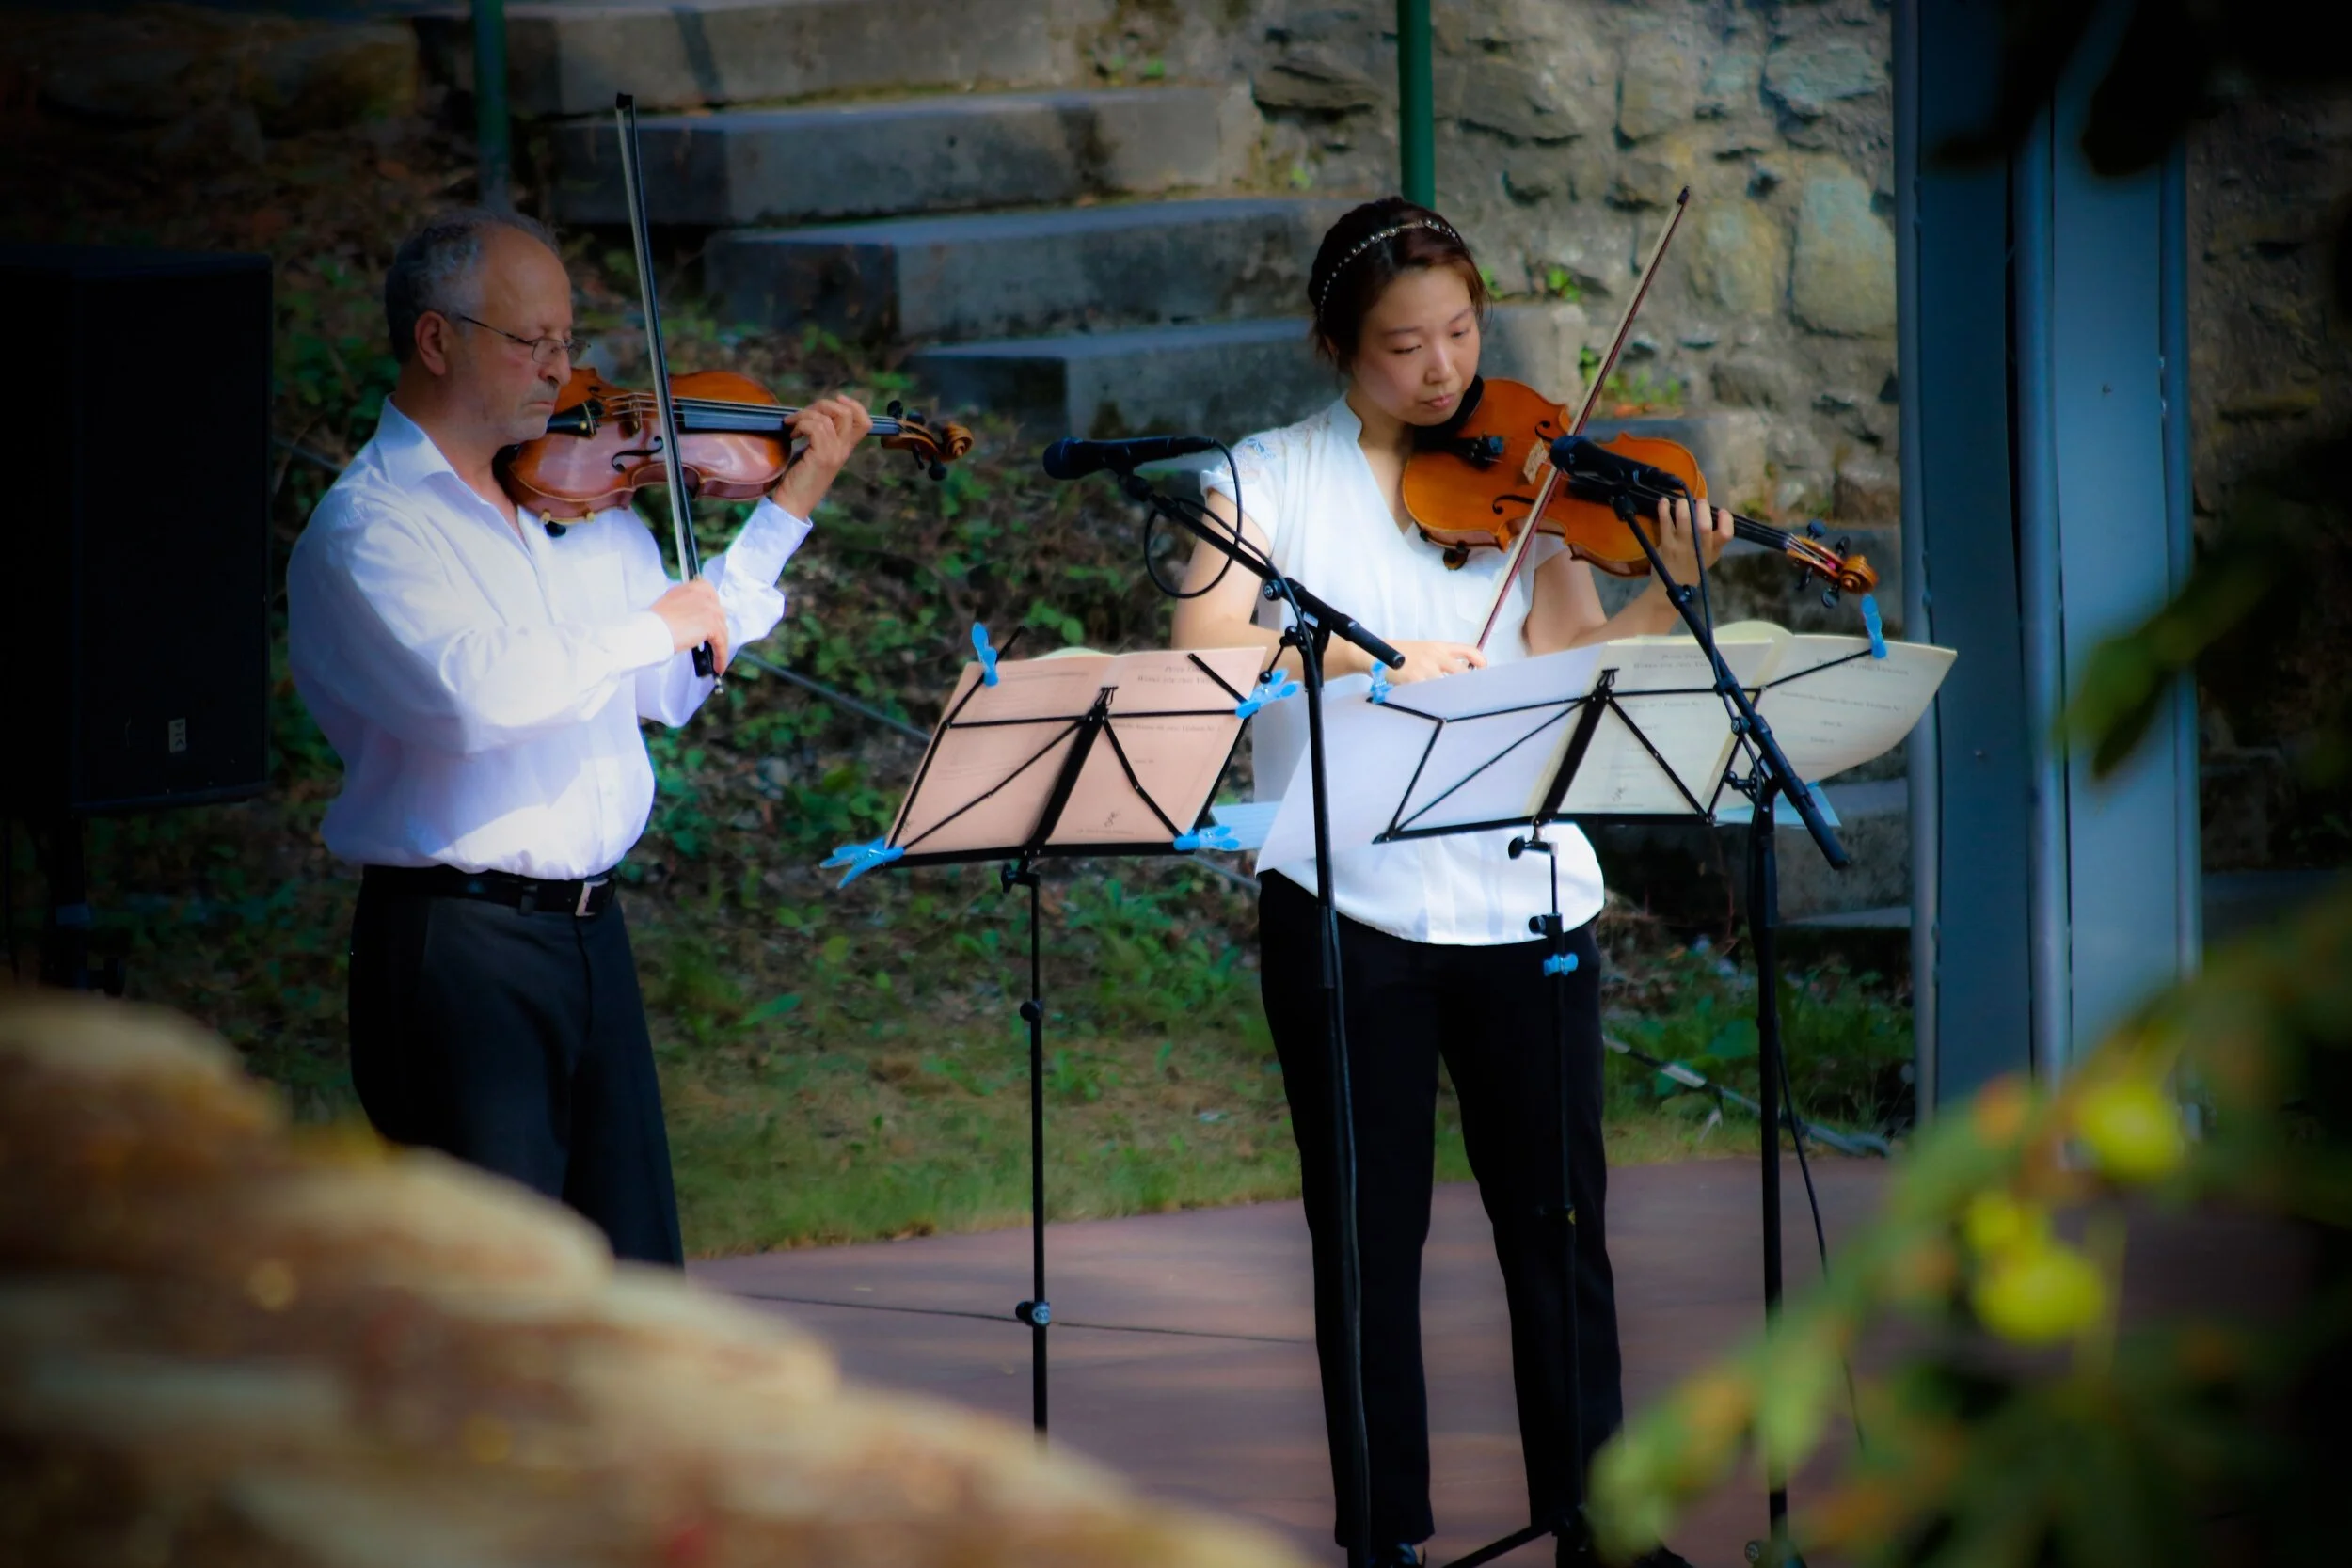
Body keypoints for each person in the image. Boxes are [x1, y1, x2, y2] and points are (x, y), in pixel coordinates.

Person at [1170, 197, 1730, 1568]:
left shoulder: (1523, 480)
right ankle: (1387, 1538)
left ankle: (1600, 1520)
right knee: (1368, 1238)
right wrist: (1378, 658)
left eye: (1463, 333)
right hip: (1346, 903)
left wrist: (1672, 591)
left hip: (1522, 894)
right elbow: (1204, 648)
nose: (1442, 370)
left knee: (1560, 1227)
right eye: (1403, 344)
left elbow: (1568, 665)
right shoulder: (1263, 480)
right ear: (1334, 346)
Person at [287, 209, 870, 1266]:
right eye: (533, 343)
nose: (565, 369)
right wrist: (654, 622)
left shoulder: (585, 506)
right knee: (498, 1298)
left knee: (634, 1276)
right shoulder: (368, 529)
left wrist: (786, 511)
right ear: (435, 340)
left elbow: (669, 679)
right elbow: (471, 698)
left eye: (568, 339)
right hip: (457, 950)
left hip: (591, 936)